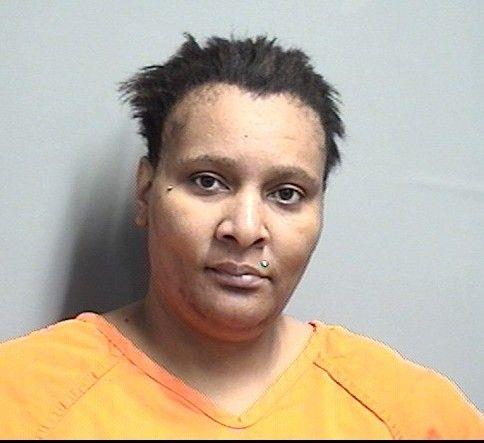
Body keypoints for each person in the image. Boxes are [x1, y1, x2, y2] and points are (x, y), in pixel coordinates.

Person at [0, 33, 482, 440]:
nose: (246, 230)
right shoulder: (21, 399)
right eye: (208, 182)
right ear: (146, 193)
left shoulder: (414, 416)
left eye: (286, 193)